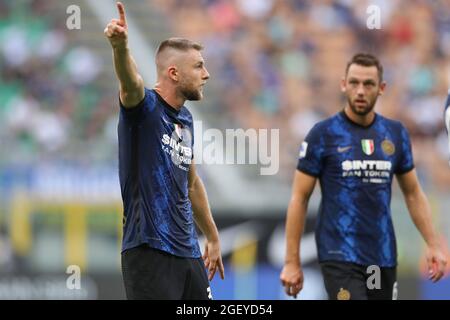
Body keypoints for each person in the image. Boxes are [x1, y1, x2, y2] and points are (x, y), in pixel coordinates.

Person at [280, 53, 448, 300]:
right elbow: (299, 198)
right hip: (339, 253)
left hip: (381, 253)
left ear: (381, 88)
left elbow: (412, 193)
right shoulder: (323, 135)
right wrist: (291, 261)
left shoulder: (394, 134)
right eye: (354, 82)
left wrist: (433, 243)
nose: (360, 90)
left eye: (368, 84)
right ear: (343, 84)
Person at [104, 2, 224, 300]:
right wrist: (120, 48)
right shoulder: (143, 109)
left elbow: (192, 182)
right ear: (173, 72)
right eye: (198, 66)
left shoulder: (184, 119)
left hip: (188, 252)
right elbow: (130, 83)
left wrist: (211, 235)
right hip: (149, 250)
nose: (206, 74)